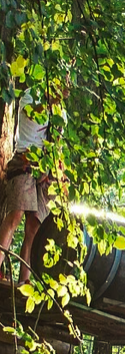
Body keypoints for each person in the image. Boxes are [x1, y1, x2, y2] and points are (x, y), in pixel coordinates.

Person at [0, 87, 67, 284]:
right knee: (15, 215)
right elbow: (32, 117)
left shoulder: (60, 112)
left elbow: (56, 144)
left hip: (45, 171)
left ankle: (25, 281)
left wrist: (56, 174)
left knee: (35, 227)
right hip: (24, 162)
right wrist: (50, 102)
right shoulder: (31, 96)